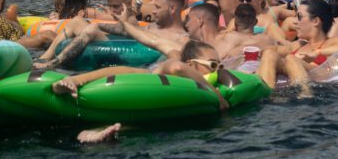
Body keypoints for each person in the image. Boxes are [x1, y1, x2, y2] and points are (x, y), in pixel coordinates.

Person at [51, 39, 227, 143]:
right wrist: (217, 96)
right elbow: (177, 67)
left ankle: (94, 133)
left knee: (158, 124)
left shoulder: (189, 95)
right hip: (141, 81)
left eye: (220, 65)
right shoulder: (172, 68)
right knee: (128, 72)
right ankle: (73, 80)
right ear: (191, 64)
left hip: (155, 113)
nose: (217, 70)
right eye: (213, 65)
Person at [37, 0, 187, 69]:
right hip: (120, 53)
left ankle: (53, 65)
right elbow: (126, 33)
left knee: (91, 30)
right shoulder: (152, 26)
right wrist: (100, 24)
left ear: (172, 9)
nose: (152, 11)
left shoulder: (181, 38)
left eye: (157, 7)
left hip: (132, 63)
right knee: (78, 21)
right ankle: (43, 60)